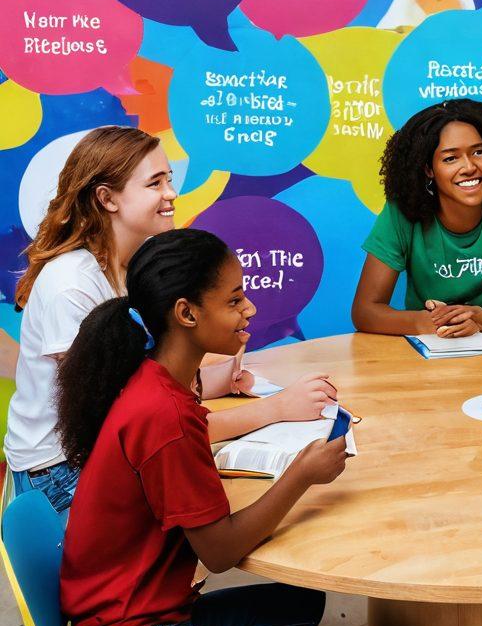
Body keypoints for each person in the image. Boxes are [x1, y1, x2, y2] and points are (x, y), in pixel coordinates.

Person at [56, 229, 406, 626]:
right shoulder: (165, 416)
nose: (250, 307)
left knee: (299, 603)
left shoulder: (156, 381)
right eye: (234, 298)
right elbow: (219, 553)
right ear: (187, 313)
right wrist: (302, 475)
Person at [4, 126, 337, 515]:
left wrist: (211, 380)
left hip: (100, 449)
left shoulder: (135, 265)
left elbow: (139, 381)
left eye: (169, 180)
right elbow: (137, 424)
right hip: (60, 473)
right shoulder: (71, 285)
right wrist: (276, 408)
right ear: (107, 198)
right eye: (155, 183)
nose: (171, 194)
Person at [352, 99, 482, 337]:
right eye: (450, 158)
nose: (469, 167)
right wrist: (425, 322)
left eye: (478, 152)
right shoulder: (403, 209)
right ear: (428, 169)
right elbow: (364, 311)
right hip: (422, 354)